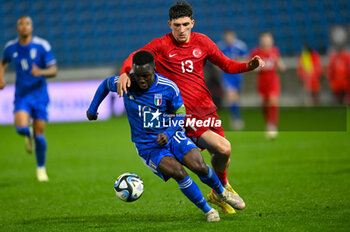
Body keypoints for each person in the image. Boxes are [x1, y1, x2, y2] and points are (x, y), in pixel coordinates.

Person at [117, 1, 264, 214]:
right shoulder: (161, 45)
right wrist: (124, 71)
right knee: (224, 147)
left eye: (186, 24)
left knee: (222, 156)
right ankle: (221, 189)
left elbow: (226, 64)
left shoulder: (203, 42)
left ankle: (219, 190)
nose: (182, 30)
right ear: (169, 24)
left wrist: (247, 66)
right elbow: (134, 57)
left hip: (207, 109)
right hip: (185, 113)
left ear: (192, 22)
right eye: (177, 25)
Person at [86, 50, 245, 222]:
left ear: (154, 69)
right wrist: (92, 109)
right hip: (148, 146)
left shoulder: (168, 87)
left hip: (173, 135)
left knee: (198, 165)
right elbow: (104, 85)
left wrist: (168, 134)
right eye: (138, 75)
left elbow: (181, 113)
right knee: (178, 172)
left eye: (145, 75)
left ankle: (221, 193)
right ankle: (208, 211)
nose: (141, 80)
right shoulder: (127, 82)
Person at [0, 16, 58, 182]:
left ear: (31, 28)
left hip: (40, 96)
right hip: (22, 95)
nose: (24, 27)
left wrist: (41, 72)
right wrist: (1, 77)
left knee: (40, 135)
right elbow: (3, 61)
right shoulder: (11, 47)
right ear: (17, 28)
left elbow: (53, 70)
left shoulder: (42, 46)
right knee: (20, 128)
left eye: (27, 24)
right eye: (21, 24)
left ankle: (41, 169)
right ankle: (28, 133)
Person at [250, 32, 285, 140]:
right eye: (264, 39)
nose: (266, 41)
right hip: (262, 82)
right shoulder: (256, 52)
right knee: (265, 105)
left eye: (268, 39)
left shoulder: (275, 51)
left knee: (273, 101)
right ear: (261, 41)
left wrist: (281, 66)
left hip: (273, 81)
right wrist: (256, 67)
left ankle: (272, 126)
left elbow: (279, 63)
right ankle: (268, 124)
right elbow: (251, 65)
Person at [217, 29, 248, 130]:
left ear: (233, 36)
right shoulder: (220, 47)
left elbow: (246, 59)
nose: (228, 38)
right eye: (226, 36)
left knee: (236, 98)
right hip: (227, 76)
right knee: (232, 96)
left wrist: (237, 62)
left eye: (230, 36)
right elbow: (215, 61)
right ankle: (236, 119)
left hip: (238, 75)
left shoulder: (240, 46)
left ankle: (235, 115)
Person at [327, 26, 350, 105]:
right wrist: (330, 78)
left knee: (345, 98)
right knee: (337, 97)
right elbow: (331, 69)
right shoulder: (334, 57)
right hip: (337, 81)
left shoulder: (346, 56)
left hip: (345, 81)